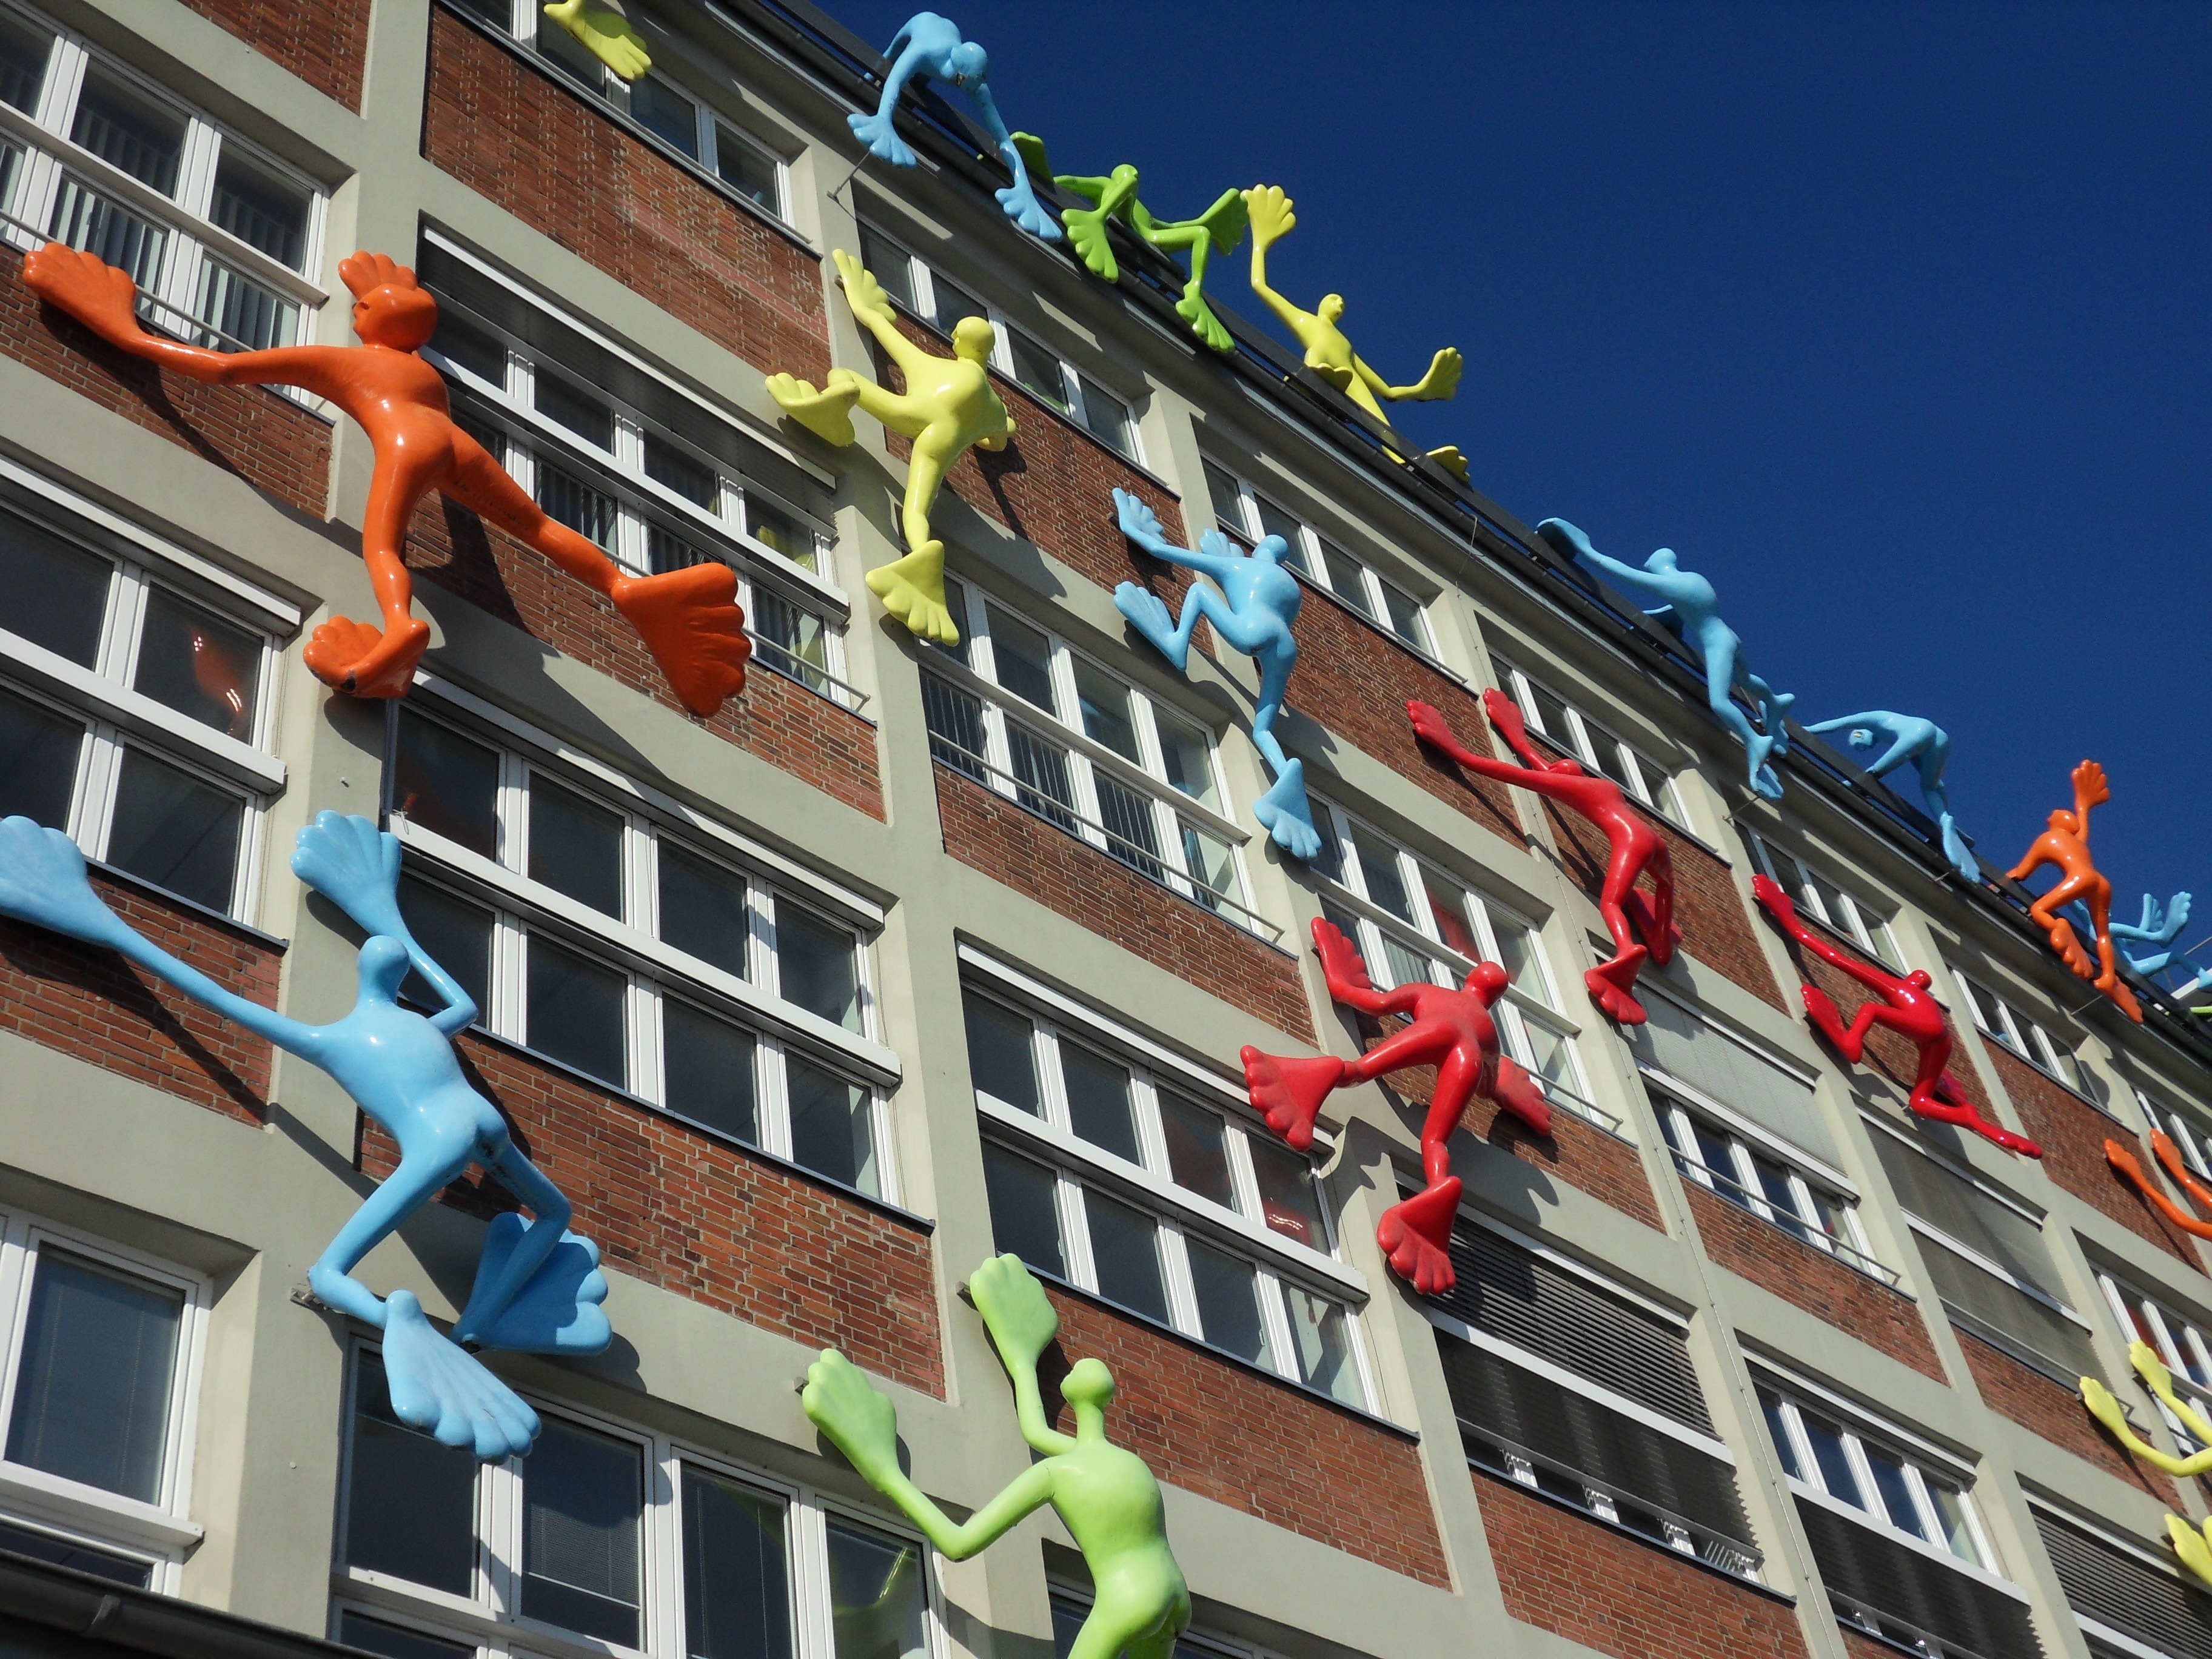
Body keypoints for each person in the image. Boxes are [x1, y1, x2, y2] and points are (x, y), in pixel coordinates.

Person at [0, 811, 609, 1460]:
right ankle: (483, 1323)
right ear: (398, 979)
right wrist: (386, 917)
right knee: (556, 1211)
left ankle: (394, 1315)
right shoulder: (431, 1024)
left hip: (440, 1144)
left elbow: (215, 996)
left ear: (361, 978)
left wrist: (107, 924)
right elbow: (461, 1000)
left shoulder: (332, 1040)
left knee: (328, 1270)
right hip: (481, 1125)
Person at [21, 244, 749, 712]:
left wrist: (127, 333)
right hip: (451, 444)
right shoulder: (425, 374)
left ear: (368, 324)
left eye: (364, 307)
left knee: (382, 549)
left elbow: (226, 370)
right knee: (538, 526)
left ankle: (402, 626)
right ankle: (629, 590)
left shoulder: (358, 364)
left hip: (404, 445)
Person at [802, 1253, 1188, 1659]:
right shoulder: (1131, 1464)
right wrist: (1021, 1358)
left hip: (1129, 1601)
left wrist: (886, 1471)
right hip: (1175, 1600)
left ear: (1072, 1395)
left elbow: (959, 1543)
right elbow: (1035, 1432)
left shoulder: (1059, 1471)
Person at [1241, 917, 1550, 1295]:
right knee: (1434, 1142)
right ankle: (1438, 1192)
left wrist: (1338, 975)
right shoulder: (1488, 1031)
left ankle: (1302, 1083)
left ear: (1470, 980)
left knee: (1358, 1071)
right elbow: (1490, 1083)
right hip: (1468, 1054)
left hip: (1438, 1028)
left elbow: (1378, 1003)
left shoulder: (1433, 993)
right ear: (1493, 1000)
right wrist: (1514, 1098)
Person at [767, 250, 1011, 647]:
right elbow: (998, 438)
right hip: (942, 441)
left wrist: (862, 299)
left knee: (850, 380)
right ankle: (923, 558)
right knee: (915, 511)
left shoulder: (937, 366)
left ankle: (836, 402)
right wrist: (982, 432)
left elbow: (880, 327)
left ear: (957, 343)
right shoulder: (993, 405)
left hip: (911, 412)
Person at [1410, 689, 1675, 1025]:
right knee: (1665, 885)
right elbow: (1541, 769)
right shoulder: (1603, 788)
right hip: (1653, 842)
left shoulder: (1578, 788)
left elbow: (1522, 776)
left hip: (1632, 840)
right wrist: (1516, 737)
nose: (1553, 775)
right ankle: (1662, 939)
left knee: (1610, 903)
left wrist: (1458, 752)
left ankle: (1627, 949)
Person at [1751, 875, 2040, 1158]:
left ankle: (1852, 1043)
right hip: (1941, 1042)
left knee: (1870, 1010)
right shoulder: (1922, 998)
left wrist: (1794, 925)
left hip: (1929, 1032)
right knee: (1919, 1100)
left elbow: (1838, 960)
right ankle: (1973, 1120)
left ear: (1913, 980)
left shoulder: (1902, 988)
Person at [1111, 489, 1315, 859]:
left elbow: (1164, 553)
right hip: (1285, 646)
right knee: (1263, 729)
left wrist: (1132, 527)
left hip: (1253, 632)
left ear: (1258, 552)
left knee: (1199, 592)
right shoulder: (1289, 587)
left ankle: (1177, 645)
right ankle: (1288, 776)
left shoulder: (1243, 567)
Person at [1540, 518, 1792, 800]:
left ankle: (1753, 739)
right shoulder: (1693, 580)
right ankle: (1773, 700)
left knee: (1720, 701)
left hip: (1717, 644)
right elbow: (1684, 611)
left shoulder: (1675, 587)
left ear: (1655, 568)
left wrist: (1584, 547)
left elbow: (1619, 571)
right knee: (1743, 679)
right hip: (1730, 638)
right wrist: (1657, 620)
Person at [1242, 186, 1466, 478]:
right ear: (1321, 302)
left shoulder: (1346, 346)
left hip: (1345, 377)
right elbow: (1260, 284)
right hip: (1317, 368)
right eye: (1334, 298)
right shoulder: (1305, 321)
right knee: (1316, 359)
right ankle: (1312, 380)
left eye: (1343, 302)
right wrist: (1260, 242)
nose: (1340, 303)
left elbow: (1387, 392)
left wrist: (1423, 389)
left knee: (1381, 423)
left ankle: (1401, 461)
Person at [1010, 136, 1246, 350]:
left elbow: (1173, 228)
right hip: (1112, 219)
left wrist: (1207, 222)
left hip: (1145, 233)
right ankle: (1096, 219)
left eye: (1128, 174)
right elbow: (1072, 183)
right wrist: (1044, 180)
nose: (1128, 175)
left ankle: (1194, 291)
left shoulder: (1140, 207)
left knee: (1202, 233)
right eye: (1124, 172)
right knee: (1131, 182)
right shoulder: (1107, 184)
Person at [846, 13, 1059, 241]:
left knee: (916, 78)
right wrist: (883, 119)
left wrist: (1023, 185)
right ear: (958, 73)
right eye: (961, 83)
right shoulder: (926, 49)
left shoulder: (977, 85)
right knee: (890, 55)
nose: (967, 89)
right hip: (924, 21)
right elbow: (896, 80)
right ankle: (867, 81)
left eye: (971, 85)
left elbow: (1004, 139)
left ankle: (910, 87)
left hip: (951, 34)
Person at [2006, 760, 2141, 1021]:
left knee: (2039, 909)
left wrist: (2000, 882)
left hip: (2080, 878)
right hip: (2100, 881)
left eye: (2054, 813)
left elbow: (2022, 872)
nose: (2051, 813)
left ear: (2056, 823)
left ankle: (2058, 926)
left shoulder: (2048, 839)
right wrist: (2083, 802)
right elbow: (2083, 826)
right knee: (2102, 932)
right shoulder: (2077, 842)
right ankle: (2108, 978)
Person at [1804, 710, 1978, 882]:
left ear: (1860, 732)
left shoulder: (1875, 718)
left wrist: (1807, 729)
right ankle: (1946, 819)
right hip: (1939, 738)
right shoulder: (1894, 728)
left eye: (1861, 742)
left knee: (1873, 773)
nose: (1868, 747)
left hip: (1919, 731)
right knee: (1930, 787)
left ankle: (1852, 786)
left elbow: (1840, 723)